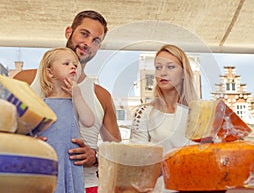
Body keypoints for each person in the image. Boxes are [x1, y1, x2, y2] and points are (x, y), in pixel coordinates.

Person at [13, 10, 122, 192]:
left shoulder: (102, 95)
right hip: (32, 182)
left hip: (85, 185)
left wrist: (95, 157)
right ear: (68, 32)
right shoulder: (24, 80)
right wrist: (23, 144)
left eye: (96, 40)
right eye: (84, 34)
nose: (88, 43)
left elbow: (117, 151)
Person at [37, 47, 94, 193]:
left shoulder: (75, 101)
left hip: (70, 161)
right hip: (48, 162)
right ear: (50, 72)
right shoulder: (39, 103)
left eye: (74, 64)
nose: (73, 66)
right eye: (66, 63)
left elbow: (88, 121)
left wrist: (78, 96)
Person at [130, 44, 199, 153]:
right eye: (158, 67)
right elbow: (137, 158)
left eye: (170, 67)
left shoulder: (200, 114)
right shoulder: (144, 114)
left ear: (183, 73)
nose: (163, 73)